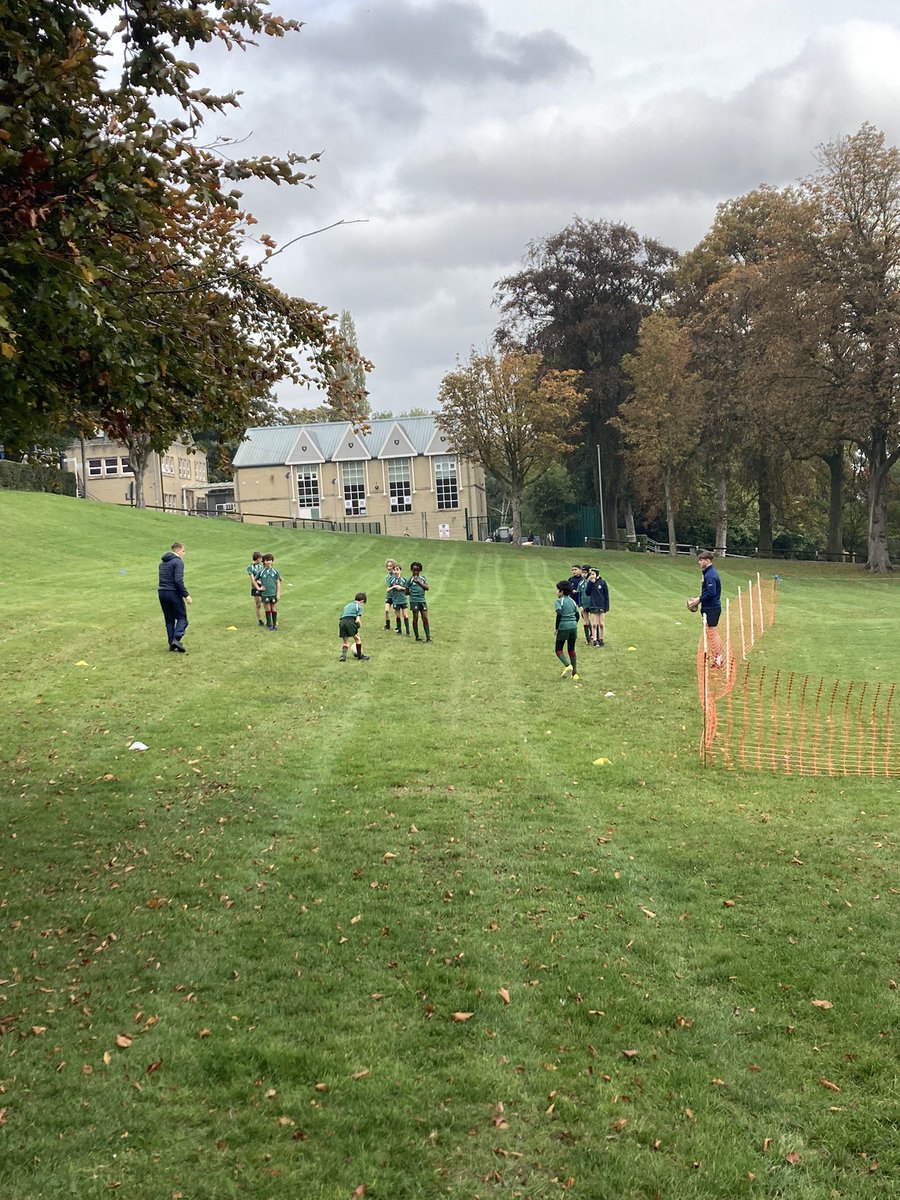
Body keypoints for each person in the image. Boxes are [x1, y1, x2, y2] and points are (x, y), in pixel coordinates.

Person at [689, 550, 723, 666]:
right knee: (711, 632)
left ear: (708, 561)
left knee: (713, 633)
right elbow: (707, 592)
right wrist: (698, 598)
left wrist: (698, 600)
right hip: (709, 607)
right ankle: (717, 657)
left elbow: (711, 593)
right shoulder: (708, 573)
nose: (699, 562)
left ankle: (718, 659)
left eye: (701, 560)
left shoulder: (710, 575)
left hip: (712, 608)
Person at [158, 541, 191, 653]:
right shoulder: (178, 562)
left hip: (162, 592)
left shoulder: (162, 563)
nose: (184, 553)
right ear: (178, 550)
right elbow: (178, 580)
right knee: (182, 618)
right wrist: (186, 595)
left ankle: (171, 643)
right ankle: (176, 639)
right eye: (183, 551)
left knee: (169, 619)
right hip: (173, 592)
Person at [554, 580, 580, 681]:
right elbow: (577, 615)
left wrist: (557, 628)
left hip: (564, 627)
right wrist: (574, 624)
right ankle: (575, 674)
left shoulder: (559, 601)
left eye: (557, 590)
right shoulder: (573, 601)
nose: (556, 592)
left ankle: (568, 665)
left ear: (561, 591)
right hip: (573, 627)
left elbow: (559, 614)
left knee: (558, 649)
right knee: (571, 649)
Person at [339, 592, 370, 661]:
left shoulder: (348, 605)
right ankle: (360, 656)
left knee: (346, 642)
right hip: (350, 621)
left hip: (342, 622)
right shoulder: (359, 606)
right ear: (362, 601)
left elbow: (342, 615)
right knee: (357, 639)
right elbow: (357, 620)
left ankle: (343, 656)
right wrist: (359, 626)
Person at [584, 568, 610, 646]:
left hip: (601, 605)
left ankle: (601, 639)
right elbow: (587, 593)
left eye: (593, 574)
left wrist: (606, 607)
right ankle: (595, 640)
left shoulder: (602, 582)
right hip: (593, 605)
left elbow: (606, 595)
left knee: (601, 624)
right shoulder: (590, 582)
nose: (591, 576)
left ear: (597, 574)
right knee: (594, 624)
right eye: (590, 574)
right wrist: (591, 583)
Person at [408, 561, 431, 642]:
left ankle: (428, 637)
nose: (415, 572)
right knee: (415, 618)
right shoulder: (410, 580)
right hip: (414, 601)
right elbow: (406, 591)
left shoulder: (422, 578)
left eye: (417, 570)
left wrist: (419, 582)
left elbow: (427, 588)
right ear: (412, 570)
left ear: (420, 570)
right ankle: (417, 636)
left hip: (422, 601)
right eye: (414, 570)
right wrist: (410, 592)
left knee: (425, 618)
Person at [257, 553, 282, 631]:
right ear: (264, 562)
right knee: (267, 608)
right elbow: (255, 580)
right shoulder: (261, 571)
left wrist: (278, 594)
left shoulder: (275, 571)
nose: (268, 562)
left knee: (273, 608)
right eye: (267, 560)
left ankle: (275, 625)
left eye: (270, 560)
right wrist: (259, 587)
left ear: (272, 561)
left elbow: (278, 582)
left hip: (273, 593)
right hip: (265, 594)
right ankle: (269, 624)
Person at [389, 564, 411, 636]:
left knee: (405, 615)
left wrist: (401, 588)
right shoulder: (392, 580)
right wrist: (393, 587)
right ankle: (399, 630)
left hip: (403, 600)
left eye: (397, 570)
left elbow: (409, 590)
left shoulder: (404, 580)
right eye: (394, 570)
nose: (396, 571)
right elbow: (387, 590)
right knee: (397, 616)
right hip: (396, 600)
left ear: (400, 571)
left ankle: (408, 631)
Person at [246, 550, 265, 627]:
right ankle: (260, 620)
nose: (261, 560)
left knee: (266, 602)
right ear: (257, 558)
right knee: (258, 604)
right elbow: (253, 579)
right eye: (260, 558)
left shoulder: (260, 566)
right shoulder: (250, 567)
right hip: (256, 587)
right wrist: (260, 583)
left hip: (263, 586)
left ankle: (269, 619)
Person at [383, 559, 399, 630]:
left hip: (395, 596)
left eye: (390, 566)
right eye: (388, 566)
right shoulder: (387, 576)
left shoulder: (395, 575)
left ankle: (398, 627)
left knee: (396, 612)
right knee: (386, 610)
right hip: (389, 596)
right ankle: (387, 625)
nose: (389, 568)